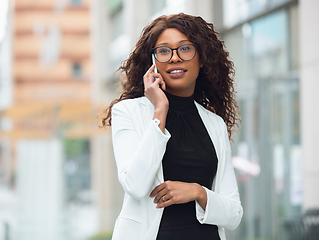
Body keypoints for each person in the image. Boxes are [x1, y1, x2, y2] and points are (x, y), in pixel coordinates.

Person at [102, 13, 243, 240]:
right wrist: (160, 110)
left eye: (185, 49)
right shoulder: (128, 112)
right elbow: (135, 185)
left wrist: (197, 192)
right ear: (153, 62)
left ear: (202, 57)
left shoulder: (214, 124)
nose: (174, 58)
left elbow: (234, 214)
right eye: (164, 51)